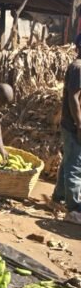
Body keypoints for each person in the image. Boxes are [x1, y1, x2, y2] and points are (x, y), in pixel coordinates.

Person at [52, 33, 81, 224]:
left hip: (73, 124)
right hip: (73, 125)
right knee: (75, 166)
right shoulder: (78, 67)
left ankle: (58, 197)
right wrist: (79, 124)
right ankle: (74, 210)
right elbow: (73, 98)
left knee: (69, 161)